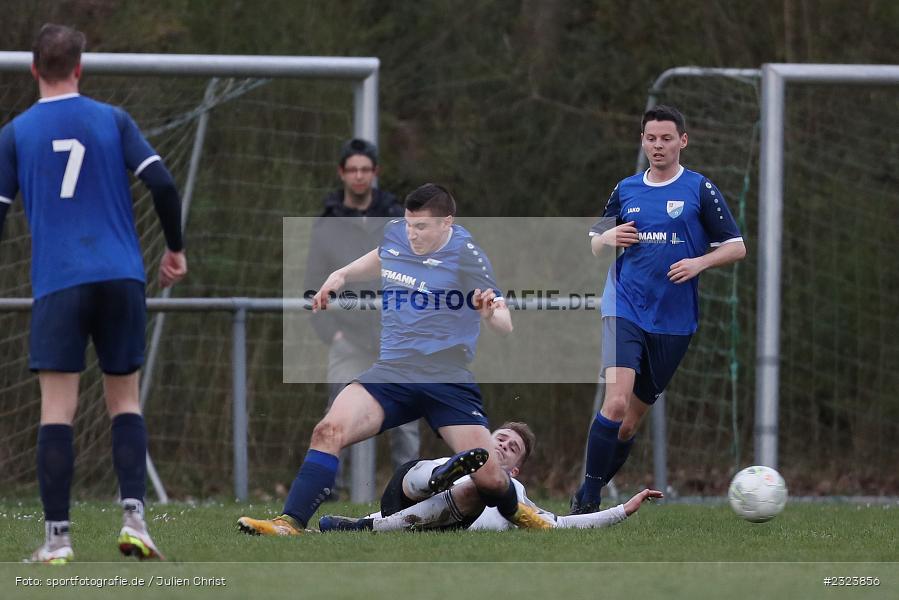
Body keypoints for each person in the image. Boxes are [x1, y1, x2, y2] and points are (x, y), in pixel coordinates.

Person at [239, 183, 550, 536]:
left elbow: (504, 323)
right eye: (408, 224)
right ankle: (290, 522)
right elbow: (380, 256)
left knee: (490, 478)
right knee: (328, 430)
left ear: (446, 223)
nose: (411, 234)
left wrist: (488, 313)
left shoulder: (467, 254)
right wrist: (340, 275)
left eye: (421, 227)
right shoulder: (396, 236)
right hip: (393, 371)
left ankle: (519, 512)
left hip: (445, 376)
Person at [0, 24, 187, 563]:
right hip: (121, 276)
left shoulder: (15, 133)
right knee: (124, 401)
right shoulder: (113, 119)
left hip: (59, 281)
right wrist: (174, 249)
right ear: (80, 68)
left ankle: (58, 539)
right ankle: (135, 520)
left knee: (58, 408)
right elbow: (164, 184)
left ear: (34, 69)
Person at [572, 105, 746, 514]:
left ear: (682, 141)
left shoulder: (700, 190)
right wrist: (606, 237)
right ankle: (589, 504)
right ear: (643, 141)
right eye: (651, 138)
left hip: (674, 321)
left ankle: (586, 491)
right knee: (614, 403)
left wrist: (700, 262)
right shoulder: (627, 188)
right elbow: (594, 242)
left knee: (630, 423)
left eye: (666, 138)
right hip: (624, 306)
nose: (658, 146)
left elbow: (737, 247)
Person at [303, 138, 419, 500]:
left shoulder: (399, 221)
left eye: (365, 170)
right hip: (348, 341)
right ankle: (326, 491)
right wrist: (331, 335)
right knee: (337, 418)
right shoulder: (326, 226)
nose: (358, 176)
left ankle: (410, 492)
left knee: (407, 424)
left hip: (397, 341)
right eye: (352, 170)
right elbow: (312, 287)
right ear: (342, 173)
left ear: (375, 173)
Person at [318, 422, 663, 532]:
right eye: (499, 438)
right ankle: (441, 474)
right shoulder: (466, 451)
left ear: (516, 469)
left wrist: (623, 510)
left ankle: (366, 528)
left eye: (512, 447)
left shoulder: (516, 491)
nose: (503, 444)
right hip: (406, 490)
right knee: (431, 469)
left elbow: (559, 524)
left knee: (484, 486)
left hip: (436, 523)